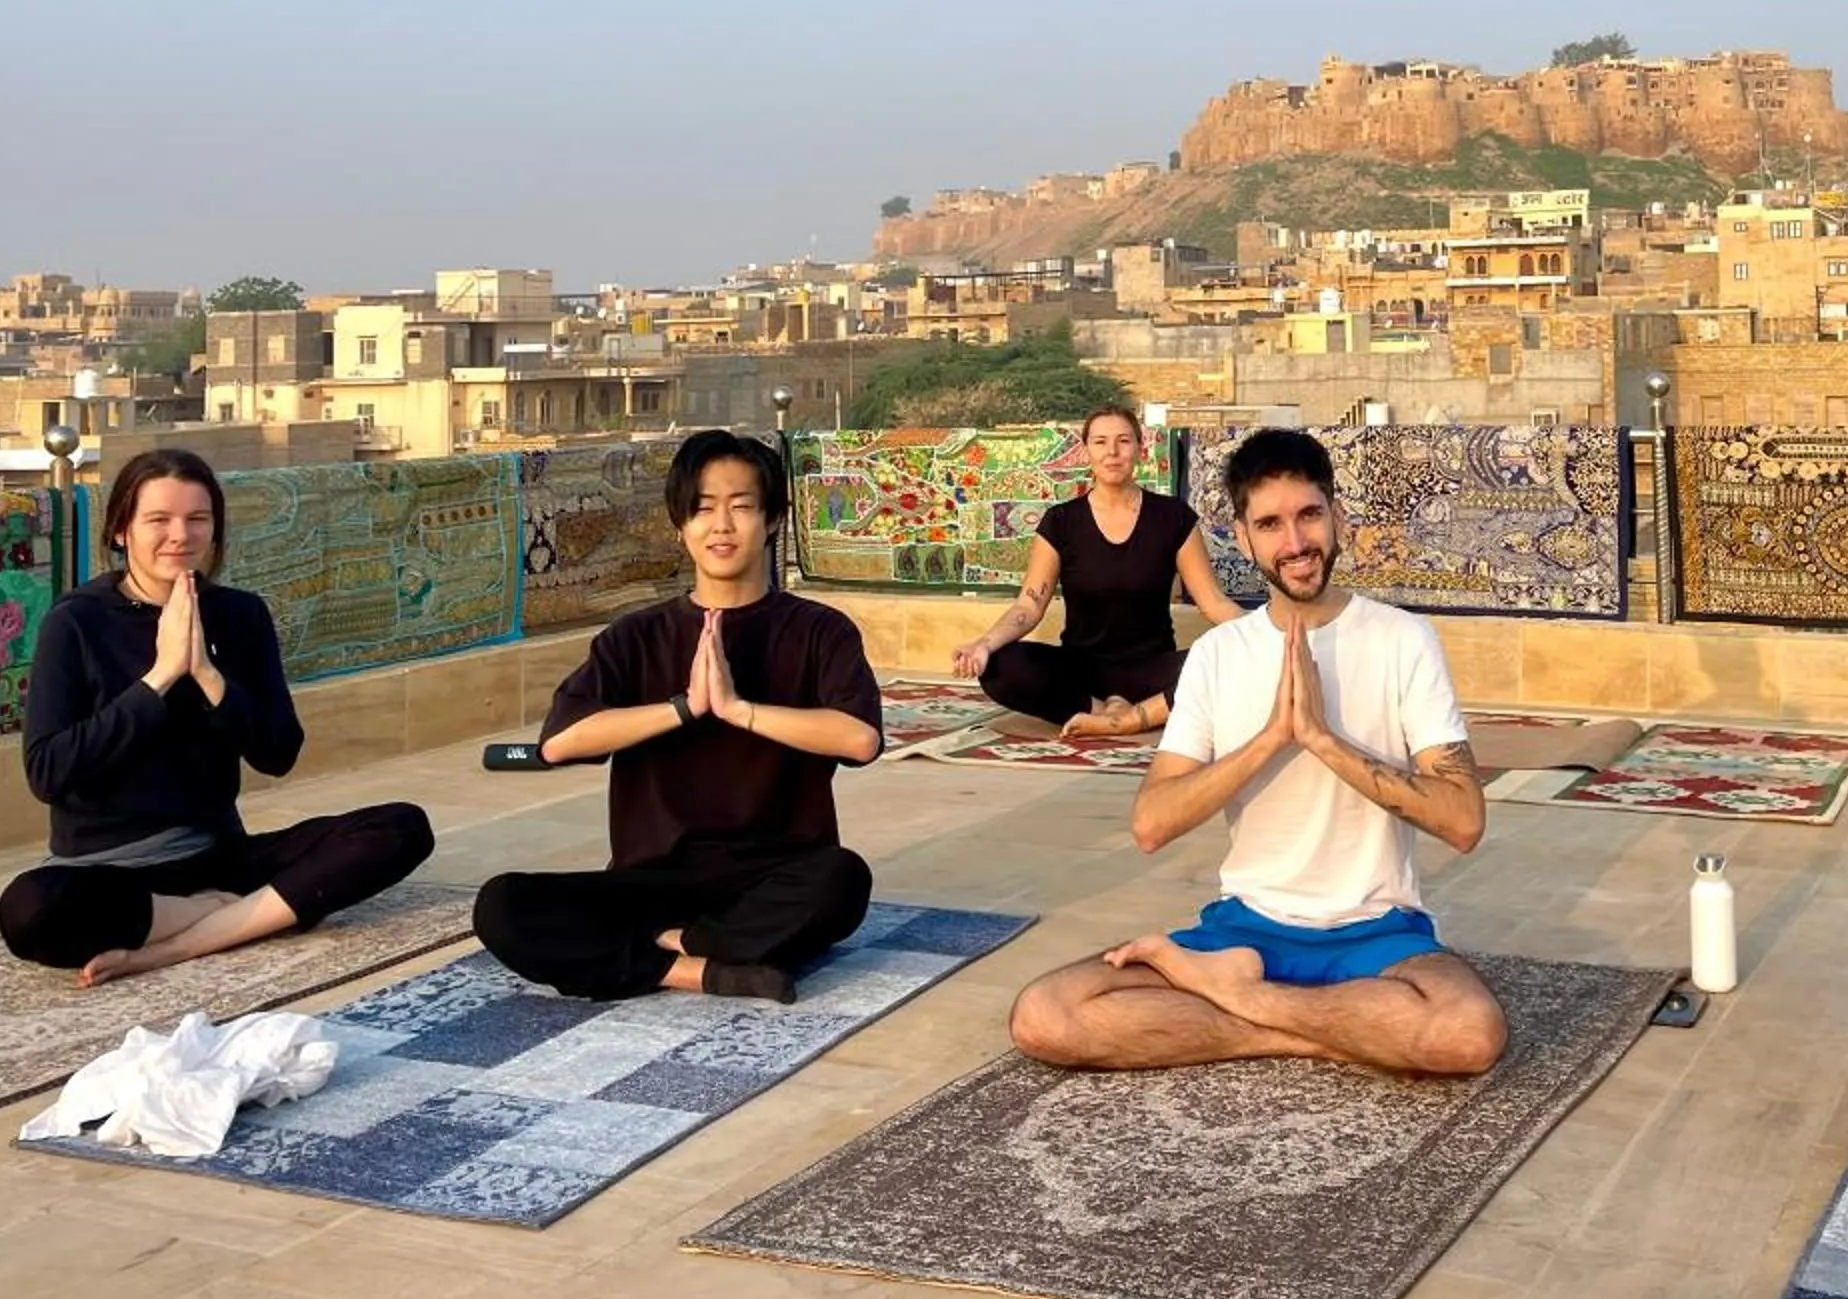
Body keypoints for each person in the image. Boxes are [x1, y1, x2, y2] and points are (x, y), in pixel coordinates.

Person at [1007, 427, 1507, 1077]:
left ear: (1338, 518)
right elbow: (1151, 824)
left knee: (1467, 1034)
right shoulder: (1220, 654)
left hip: (1376, 935)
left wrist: (1324, 741)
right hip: (1244, 933)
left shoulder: (1402, 640)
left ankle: (1248, 1004)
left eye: (1309, 516)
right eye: (1270, 524)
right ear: (1243, 539)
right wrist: (1271, 738)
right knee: (1047, 1015)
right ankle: (1331, 1030)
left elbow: (1464, 821)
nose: (1295, 543)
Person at [0, 447, 436, 984]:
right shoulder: (77, 623)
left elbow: (278, 753)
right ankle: (226, 914)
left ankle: (177, 944)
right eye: (158, 520)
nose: (180, 535)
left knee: (400, 828)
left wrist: (206, 674)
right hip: (109, 872)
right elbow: (48, 772)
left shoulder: (239, 614)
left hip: (218, 855)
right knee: (29, 911)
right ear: (120, 531)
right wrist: (159, 678)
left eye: (197, 519)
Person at [474, 429, 883, 1000]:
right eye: (702, 509)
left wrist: (738, 710)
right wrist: (684, 709)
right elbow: (561, 743)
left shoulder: (820, 630)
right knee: (503, 906)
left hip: (776, 873)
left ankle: (668, 946)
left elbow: (859, 739)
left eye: (740, 507)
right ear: (680, 526)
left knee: (843, 879)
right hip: (652, 877)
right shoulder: (635, 636)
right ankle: (692, 967)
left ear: (770, 521)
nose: (721, 526)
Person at [953, 403, 1240, 737]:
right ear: (1086, 451)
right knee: (1000, 667)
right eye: (1101, 442)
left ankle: (1132, 717)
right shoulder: (1061, 522)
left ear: (1140, 448)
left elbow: (1213, 602)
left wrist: (1266, 636)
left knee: (1225, 664)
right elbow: (1028, 606)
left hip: (1152, 670)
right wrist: (984, 645)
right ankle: (1101, 711)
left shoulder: (1173, 517)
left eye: (1124, 441)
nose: (1112, 452)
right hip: (1081, 669)